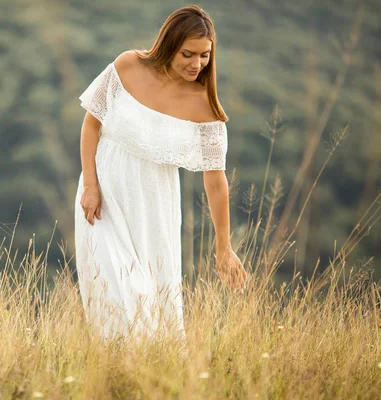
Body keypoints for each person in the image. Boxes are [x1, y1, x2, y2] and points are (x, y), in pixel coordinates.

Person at [74, 4, 249, 343]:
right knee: (113, 292)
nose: (196, 64)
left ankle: (147, 378)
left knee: (147, 298)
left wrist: (223, 247)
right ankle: (114, 375)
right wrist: (91, 185)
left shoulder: (205, 106)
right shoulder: (127, 65)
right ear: (170, 44)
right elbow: (91, 125)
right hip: (102, 197)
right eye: (188, 53)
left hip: (153, 210)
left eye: (204, 56)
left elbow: (215, 181)